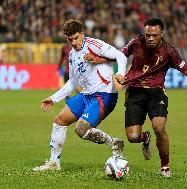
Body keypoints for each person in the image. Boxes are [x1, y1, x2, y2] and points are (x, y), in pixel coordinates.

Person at [90, 18, 187, 177]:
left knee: (159, 127)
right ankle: (145, 138)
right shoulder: (136, 43)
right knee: (132, 137)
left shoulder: (169, 52)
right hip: (134, 93)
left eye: (154, 35)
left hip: (156, 93)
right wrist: (101, 59)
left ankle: (165, 166)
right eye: (148, 35)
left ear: (161, 34)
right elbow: (120, 55)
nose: (150, 38)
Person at [33, 19, 127, 171]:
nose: (74, 42)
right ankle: (53, 163)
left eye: (76, 38)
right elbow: (72, 81)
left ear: (82, 34)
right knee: (59, 120)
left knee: (81, 129)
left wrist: (120, 73)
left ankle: (113, 143)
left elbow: (121, 56)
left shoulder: (94, 44)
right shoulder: (71, 55)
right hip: (86, 95)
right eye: (70, 39)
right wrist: (53, 98)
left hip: (104, 95)